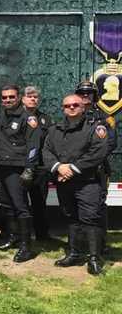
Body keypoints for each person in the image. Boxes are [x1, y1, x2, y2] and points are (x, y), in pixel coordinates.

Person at [43, 94, 108, 275]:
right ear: (63, 108)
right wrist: (58, 167)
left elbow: (98, 152)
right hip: (64, 181)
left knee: (90, 218)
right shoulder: (54, 129)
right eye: (67, 106)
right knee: (71, 216)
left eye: (75, 105)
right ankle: (74, 253)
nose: (71, 108)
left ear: (82, 107)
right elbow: (46, 150)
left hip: (88, 181)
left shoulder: (95, 128)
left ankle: (94, 258)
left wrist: (71, 169)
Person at [0, 84, 42, 263]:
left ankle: (26, 247)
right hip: (1, 166)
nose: (7, 100)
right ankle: (13, 237)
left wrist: (29, 169)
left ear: (19, 97)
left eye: (11, 97)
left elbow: (34, 146)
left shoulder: (28, 118)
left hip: (17, 168)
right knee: (6, 205)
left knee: (21, 207)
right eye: (4, 97)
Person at [75, 80, 117, 254]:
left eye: (88, 93)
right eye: (82, 93)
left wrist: (89, 159)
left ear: (94, 96)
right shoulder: (72, 114)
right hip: (75, 169)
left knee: (98, 206)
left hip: (97, 169)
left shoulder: (104, 118)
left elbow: (111, 144)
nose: (85, 96)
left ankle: (101, 244)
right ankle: (79, 245)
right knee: (75, 207)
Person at [21, 86, 53, 240]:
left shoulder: (45, 119)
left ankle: (42, 235)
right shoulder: (16, 116)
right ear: (22, 99)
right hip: (20, 165)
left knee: (39, 202)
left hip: (40, 168)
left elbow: (50, 141)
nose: (33, 99)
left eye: (36, 97)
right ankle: (14, 234)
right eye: (29, 96)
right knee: (18, 201)